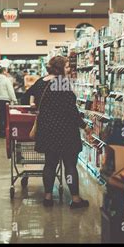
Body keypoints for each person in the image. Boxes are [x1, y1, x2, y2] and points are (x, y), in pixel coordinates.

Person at [33, 56, 92, 208]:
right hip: (65, 131)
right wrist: (84, 126)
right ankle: (75, 199)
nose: (69, 70)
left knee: (50, 163)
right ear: (59, 68)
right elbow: (72, 111)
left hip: (47, 130)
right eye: (66, 67)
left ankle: (47, 197)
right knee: (70, 165)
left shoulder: (40, 82)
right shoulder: (61, 84)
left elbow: (28, 97)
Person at [0, 67, 17, 138]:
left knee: (1, 115)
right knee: (5, 116)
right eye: (6, 71)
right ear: (4, 71)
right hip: (6, 100)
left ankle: (0, 132)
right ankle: (5, 131)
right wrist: (14, 100)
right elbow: (10, 90)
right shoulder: (6, 80)